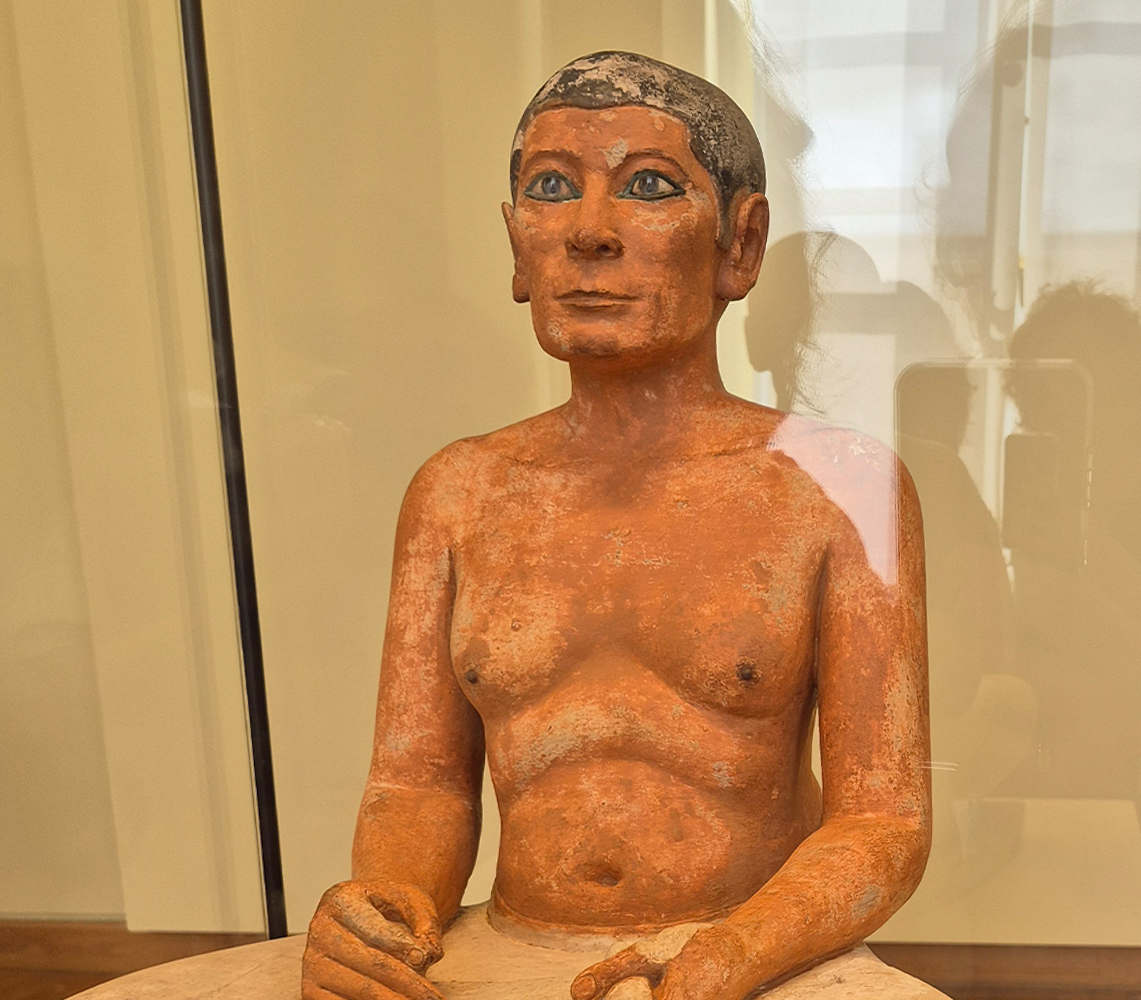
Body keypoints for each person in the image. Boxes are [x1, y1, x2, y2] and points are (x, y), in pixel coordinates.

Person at [300, 52, 936, 1000]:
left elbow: (884, 818)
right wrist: (386, 907)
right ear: (517, 246)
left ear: (740, 244)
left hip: (759, 960)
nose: (589, 232)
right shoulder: (459, 493)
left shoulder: (836, 488)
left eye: (649, 186)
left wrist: (735, 950)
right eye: (552, 187)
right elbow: (418, 785)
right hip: (510, 946)